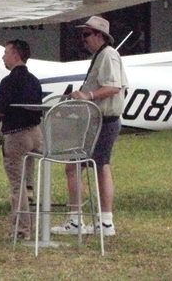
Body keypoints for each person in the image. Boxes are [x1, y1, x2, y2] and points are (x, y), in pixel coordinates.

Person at [52, 15, 126, 238]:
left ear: (100, 36)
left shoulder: (108, 55)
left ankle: (89, 221)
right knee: (92, 167)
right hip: (98, 120)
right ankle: (100, 222)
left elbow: (113, 86)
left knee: (88, 167)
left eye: (86, 34)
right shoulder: (101, 56)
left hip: (104, 121)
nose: (83, 39)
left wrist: (88, 95)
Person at [0, 39, 43, 240]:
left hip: (16, 136)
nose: (3, 57)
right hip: (35, 134)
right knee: (27, 179)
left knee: (17, 184)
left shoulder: (8, 81)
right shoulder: (34, 80)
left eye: (5, 53)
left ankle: (22, 230)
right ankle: (31, 193)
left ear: (15, 56)